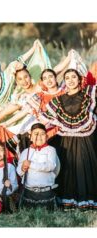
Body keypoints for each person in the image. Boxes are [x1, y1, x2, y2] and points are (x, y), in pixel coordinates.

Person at [40, 69, 97, 210]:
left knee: (86, 167)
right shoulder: (59, 100)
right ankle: (68, 200)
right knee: (68, 168)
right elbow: (45, 118)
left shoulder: (89, 95)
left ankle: (88, 200)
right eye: (67, 78)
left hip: (86, 137)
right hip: (66, 139)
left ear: (79, 80)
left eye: (73, 77)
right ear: (64, 81)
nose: (70, 80)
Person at [17, 123, 60, 210]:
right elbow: (19, 170)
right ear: (31, 137)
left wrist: (31, 164)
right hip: (29, 192)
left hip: (46, 192)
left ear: (46, 136)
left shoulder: (51, 150)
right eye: (36, 134)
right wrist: (22, 168)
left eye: (42, 134)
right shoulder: (26, 151)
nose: (39, 137)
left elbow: (51, 166)